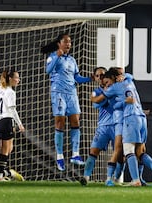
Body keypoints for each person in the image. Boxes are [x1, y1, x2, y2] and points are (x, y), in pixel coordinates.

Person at [91, 68, 152, 186]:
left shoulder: (114, 87)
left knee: (128, 150)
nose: (107, 85)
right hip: (141, 118)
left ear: (113, 78)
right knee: (139, 151)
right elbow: (129, 79)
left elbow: (98, 99)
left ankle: (135, 180)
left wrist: (93, 98)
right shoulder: (129, 81)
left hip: (131, 118)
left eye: (107, 82)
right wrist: (124, 99)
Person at [41, 32, 93, 171]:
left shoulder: (72, 60)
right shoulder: (52, 56)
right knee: (60, 122)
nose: (69, 44)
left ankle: (75, 155)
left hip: (72, 93)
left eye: (70, 41)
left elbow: (77, 77)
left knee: (76, 121)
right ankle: (59, 156)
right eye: (66, 41)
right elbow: (48, 71)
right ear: (59, 43)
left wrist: (90, 78)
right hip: (58, 93)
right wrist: (57, 56)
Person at [79, 67, 116, 186]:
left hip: (117, 125)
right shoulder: (96, 92)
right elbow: (96, 104)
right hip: (103, 126)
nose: (101, 78)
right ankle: (86, 177)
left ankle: (113, 178)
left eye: (103, 75)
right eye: (98, 76)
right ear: (95, 78)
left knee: (119, 154)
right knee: (93, 151)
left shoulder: (116, 87)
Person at [0, 67, 25, 180]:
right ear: (10, 78)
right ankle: (1, 174)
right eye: (16, 78)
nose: (18, 80)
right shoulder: (10, 92)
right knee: (6, 150)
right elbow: (12, 110)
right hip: (6, 120)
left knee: (8, 148)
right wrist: (19, 123)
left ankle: (1, 169)